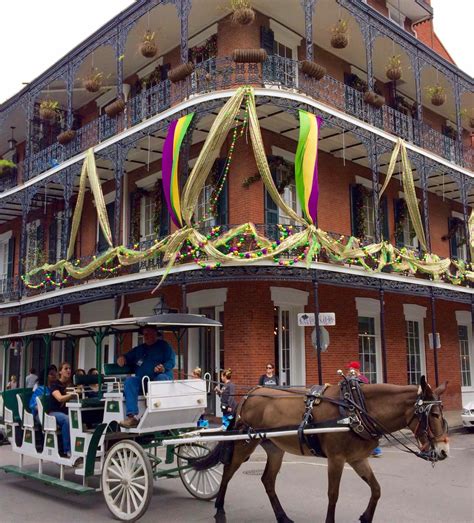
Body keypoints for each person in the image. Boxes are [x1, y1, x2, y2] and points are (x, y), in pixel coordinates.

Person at [117, 326, 176, 428]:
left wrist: (163, 367)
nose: (146, 336)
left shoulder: (164, 346)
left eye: (149, 333)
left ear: (155, 334)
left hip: (159, 379)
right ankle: (131, 417)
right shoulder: (139, 349)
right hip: (143, 382)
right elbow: (126, 357)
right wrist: (122, 358)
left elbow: (171, 361)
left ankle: (156, 412)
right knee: (130, 380)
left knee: (161, 378)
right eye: (144, 334)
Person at [346, 361, 382, 457]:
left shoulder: (361, 379)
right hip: (355, 406)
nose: (348, 370)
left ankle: (376, 449)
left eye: (350, 368)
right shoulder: (352, 378)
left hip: (361, 407)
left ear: (355, 369)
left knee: (365, 427)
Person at [49, 362, 74, 456]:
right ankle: (67, 450)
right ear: (60, 371)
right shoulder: (55, 384)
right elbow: (59, 398)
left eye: (70, 368)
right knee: (66, 419)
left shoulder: (71, 384)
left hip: (68, 411)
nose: (68, 370)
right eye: (66, 368)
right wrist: (72, 395)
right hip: (54, 413)